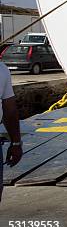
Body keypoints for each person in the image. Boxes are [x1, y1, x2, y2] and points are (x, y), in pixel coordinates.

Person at [0, 61, 22, 202]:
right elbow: (10, 110)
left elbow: (10, 111)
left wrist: (16, 143)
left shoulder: (2, 70)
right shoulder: (2, 69)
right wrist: (15, 143)